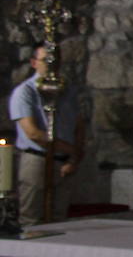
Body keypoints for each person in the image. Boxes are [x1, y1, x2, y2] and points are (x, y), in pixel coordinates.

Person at [8, 45, 85, 225]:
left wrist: (74, 158)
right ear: (34, 63)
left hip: (64, 160)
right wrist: (73, 150)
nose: (51, 64)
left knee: (59, 218)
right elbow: (33, 133)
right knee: (32, 218)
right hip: (38, 159)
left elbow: (78, 125)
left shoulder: (67, 91)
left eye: (55, 60)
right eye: (46, 60)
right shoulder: (25, 92)